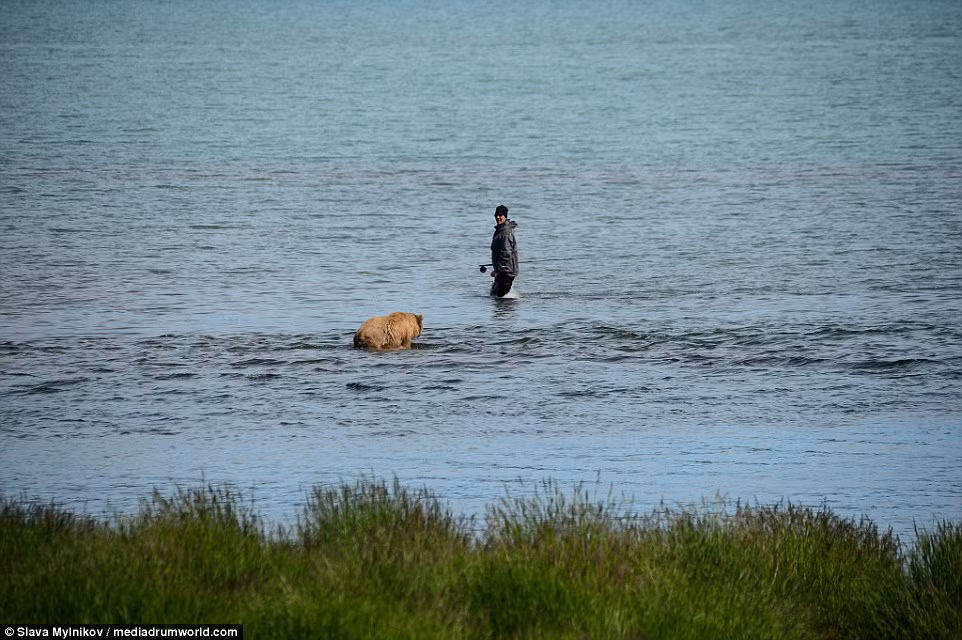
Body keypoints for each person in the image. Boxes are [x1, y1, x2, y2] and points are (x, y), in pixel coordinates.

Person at [489, 204, 518, 297]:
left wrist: (498, 271)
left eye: (500, 215)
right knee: (494, 296)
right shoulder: (500, 230)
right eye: (496, 215)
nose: (498, 217)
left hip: (506, 273)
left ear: (505, 216)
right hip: (501, 272)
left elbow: (506, 254)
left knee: (501, 300)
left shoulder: (505, 233)